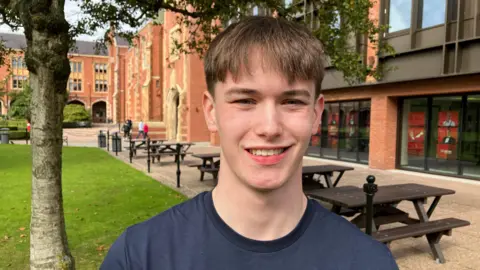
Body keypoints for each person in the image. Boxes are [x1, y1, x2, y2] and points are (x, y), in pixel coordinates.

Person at [101, 16, 399, 270]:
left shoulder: (368, 262)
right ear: (211, 111)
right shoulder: (139, 257)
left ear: (316, 114)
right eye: (245, 100)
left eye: (292, 101)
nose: (269, 127)